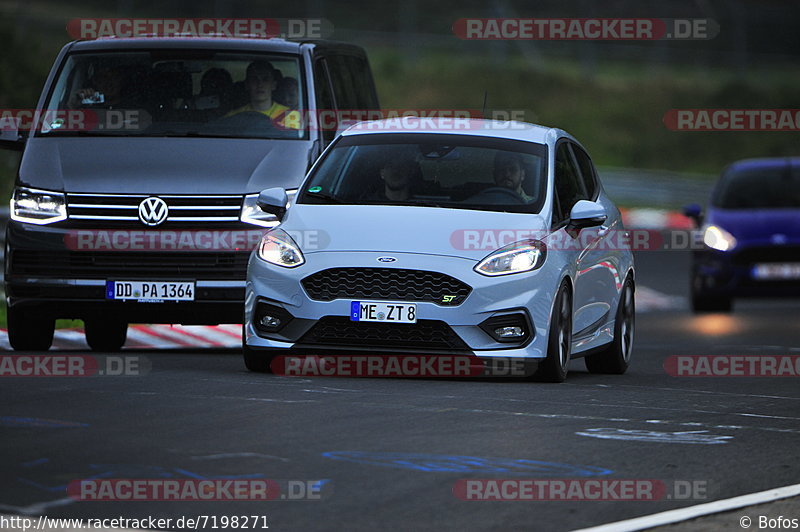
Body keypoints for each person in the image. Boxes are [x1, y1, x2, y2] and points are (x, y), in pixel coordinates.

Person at [225, 61, 300, 129]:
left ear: (273, 85)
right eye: (254, 79)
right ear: (247, 84)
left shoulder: (291, 116)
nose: (260, 84)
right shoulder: (232, 118)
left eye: (265, 79)